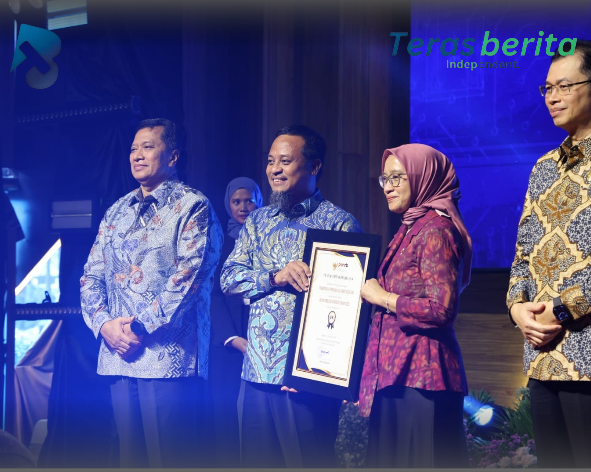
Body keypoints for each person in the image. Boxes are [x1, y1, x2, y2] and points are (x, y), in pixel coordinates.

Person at [80, 118, 223, 468]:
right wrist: (104, 325)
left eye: (148, 147)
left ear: (172, 156)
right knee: (129, 461)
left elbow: (189, 277)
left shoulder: (194, 206)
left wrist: (137, 328)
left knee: (171, 461)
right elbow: (91, 276)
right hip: (118, 355)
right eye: (133, 149)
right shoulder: (116, 210)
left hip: (168, 358)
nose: (137, 155)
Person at [221, 125, 362, 468]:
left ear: (314, 166)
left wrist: (319, 374)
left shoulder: (339, 223)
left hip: (306, 382)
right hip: (256, 375)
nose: (275, 170)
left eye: (285, 161)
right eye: (271, 161)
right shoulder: (257, 221)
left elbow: (348, 311)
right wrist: (274, 277)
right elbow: (228, 278)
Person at [358, 143, 472, 468]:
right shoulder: (411, 227)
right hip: (398, 374)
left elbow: (442, 309)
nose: (388, 187)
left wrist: (383, 298)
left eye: (398, 177)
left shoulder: (436, 230)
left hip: (424, 379)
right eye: (385, 179)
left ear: (424, 177)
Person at [507, 40, 591, 468]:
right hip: (541, 358)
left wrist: (558, 312)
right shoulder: (543, 167)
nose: (552, 97)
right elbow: (522, 254)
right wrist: (517, 309)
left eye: (565, 86)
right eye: (547, 88)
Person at [209, 176, 262, 467]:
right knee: (224, 416)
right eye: (236, 201)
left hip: (264, 339)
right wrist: (231, 337)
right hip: (227, 343)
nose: (243, 207)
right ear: (228, 204)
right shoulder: (219, 243)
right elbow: (212, 294)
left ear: (260, 201)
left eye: (249, 200)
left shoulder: (269, 241)